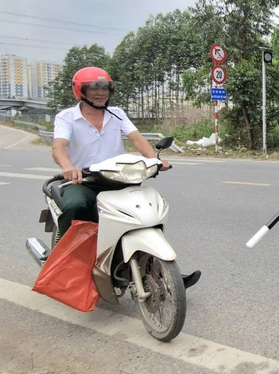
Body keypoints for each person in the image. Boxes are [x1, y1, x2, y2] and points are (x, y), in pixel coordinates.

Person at [52, 66, 201, 289]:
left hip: (117, 179)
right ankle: (66, 261)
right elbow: (59, 147)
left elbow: (137, 138)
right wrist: (68, 166)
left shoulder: (117, 114)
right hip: (82, 181)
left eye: (104, 88)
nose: (100, 92)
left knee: (147, 211)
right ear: (80, 91)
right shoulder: (67, 118)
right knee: (76, 206)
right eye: (94, 88)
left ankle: (160, 272)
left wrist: (156, 160)